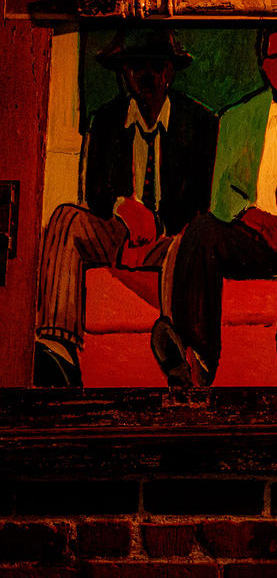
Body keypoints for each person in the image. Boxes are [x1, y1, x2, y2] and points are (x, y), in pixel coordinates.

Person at [151, 26, 277, 387]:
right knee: (203, 229)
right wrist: (256, 219)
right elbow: (221, 195)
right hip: (256, 237)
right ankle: (195, 357)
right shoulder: (237, 118)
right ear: (263, 65)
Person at [33, 29, 218, 387]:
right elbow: (94, 192)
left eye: (154, 66)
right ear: (124, 74)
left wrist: (157, 226)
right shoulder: (105, 121)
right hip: (119, 231)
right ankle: (58, 351)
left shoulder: (199, 123)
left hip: (172, 237)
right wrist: (123, 208)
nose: (145, 76)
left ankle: (180, 355)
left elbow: (202, 199)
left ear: (169, 72)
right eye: (135, 67)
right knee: (66, 218)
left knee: (192, 240)